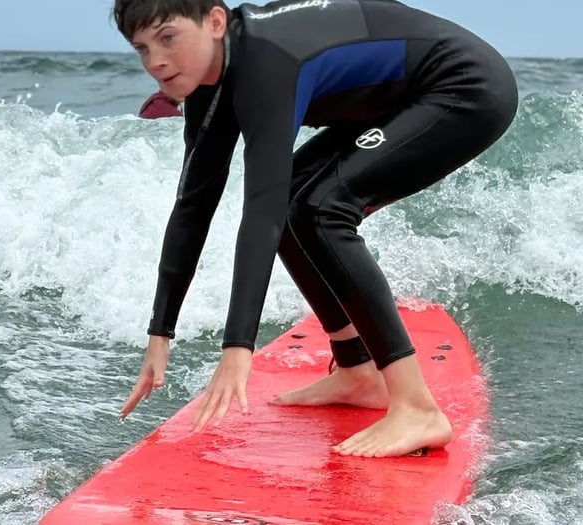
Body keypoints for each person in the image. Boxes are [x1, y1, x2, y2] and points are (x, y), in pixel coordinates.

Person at [115, 0, 518, 458]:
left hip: (464, 88)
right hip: (396, 98)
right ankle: (357, 371)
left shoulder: (265, 61)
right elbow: (193, 206)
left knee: (323, 209)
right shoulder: (209, 83)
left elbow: (260, 210)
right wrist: (159, 334)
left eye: (167, 38)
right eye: (142, 49)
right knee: (298, 205)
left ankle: (417, 407)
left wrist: (237, 348)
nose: (156, 61)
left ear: (214, 21)